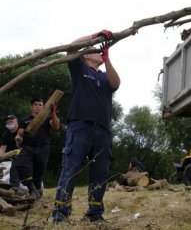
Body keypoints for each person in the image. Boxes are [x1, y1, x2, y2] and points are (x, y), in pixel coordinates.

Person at [53, 29, 120, 223]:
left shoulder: (104, 77)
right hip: (80, 127)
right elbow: (72, 47)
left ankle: (95, 214)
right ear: (86, 55)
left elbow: (116, 83)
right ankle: (60, 215)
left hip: (103, 131)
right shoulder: (80, 68)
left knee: (100, 173)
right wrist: (94, 36)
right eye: (97, 52)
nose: (100, 53)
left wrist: (107, 60)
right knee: (70, 170)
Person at [14, 98, 60, 200]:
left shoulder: (48, 118)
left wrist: (53, 112)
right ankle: (31, 189)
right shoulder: (24, 120)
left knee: (38, 174)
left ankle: (37, 196)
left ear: (43, 107)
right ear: (32, 106)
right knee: (19, 165)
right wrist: (18, 139)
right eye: (36, 104)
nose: (38, 106)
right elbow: (20, 134)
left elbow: (56, 127)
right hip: (28, 147)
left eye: (40, 105)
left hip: (43, 148)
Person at [0, 115, 21, 192]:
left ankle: (10, 186)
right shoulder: (5, 134)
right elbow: (2, 148)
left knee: (12, 169)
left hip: (21, 159)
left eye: (11, 121)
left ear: (17, 122)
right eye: (7, 122)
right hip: (8, 158)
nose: (9, 123)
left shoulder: (22, 131)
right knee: (3, 167)